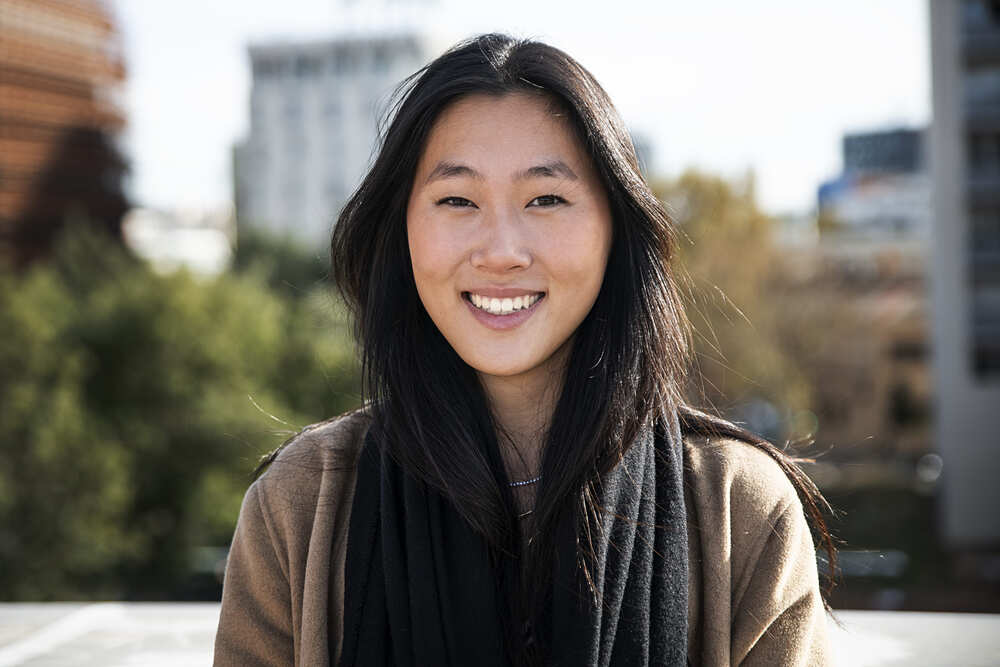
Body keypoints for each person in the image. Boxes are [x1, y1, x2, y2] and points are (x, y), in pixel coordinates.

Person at [214, 33, 834, 667]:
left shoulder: (737, 509)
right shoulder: (302, 505)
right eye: (457, 200)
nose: (502, 250)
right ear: (401, 232)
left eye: (546, 199)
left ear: (614, 230)